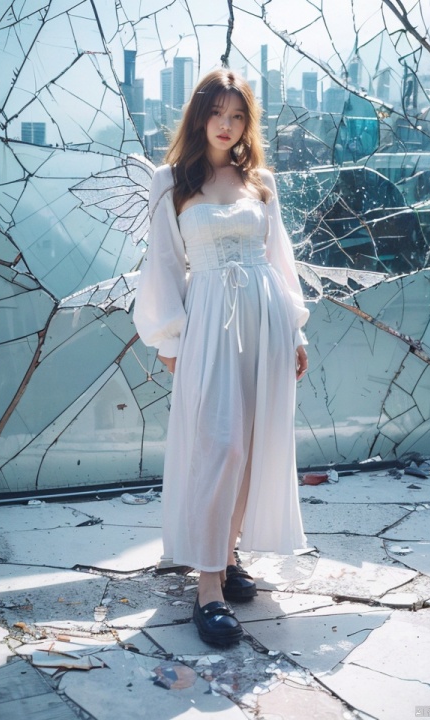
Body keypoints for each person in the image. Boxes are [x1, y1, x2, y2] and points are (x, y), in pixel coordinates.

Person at [134, 69, 309, 646]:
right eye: (218, 114)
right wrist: (171, 340)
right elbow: (162, 265)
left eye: (237, 116)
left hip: (265, 318)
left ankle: (227, 555)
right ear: (200, 115)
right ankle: (207, 590)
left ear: (246, 124)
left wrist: (298, 331)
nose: (227, 126)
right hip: (209, 322)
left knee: (251, 448)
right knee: (220, 445)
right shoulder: (171, 180)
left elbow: (279, 258)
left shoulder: (259, 180)